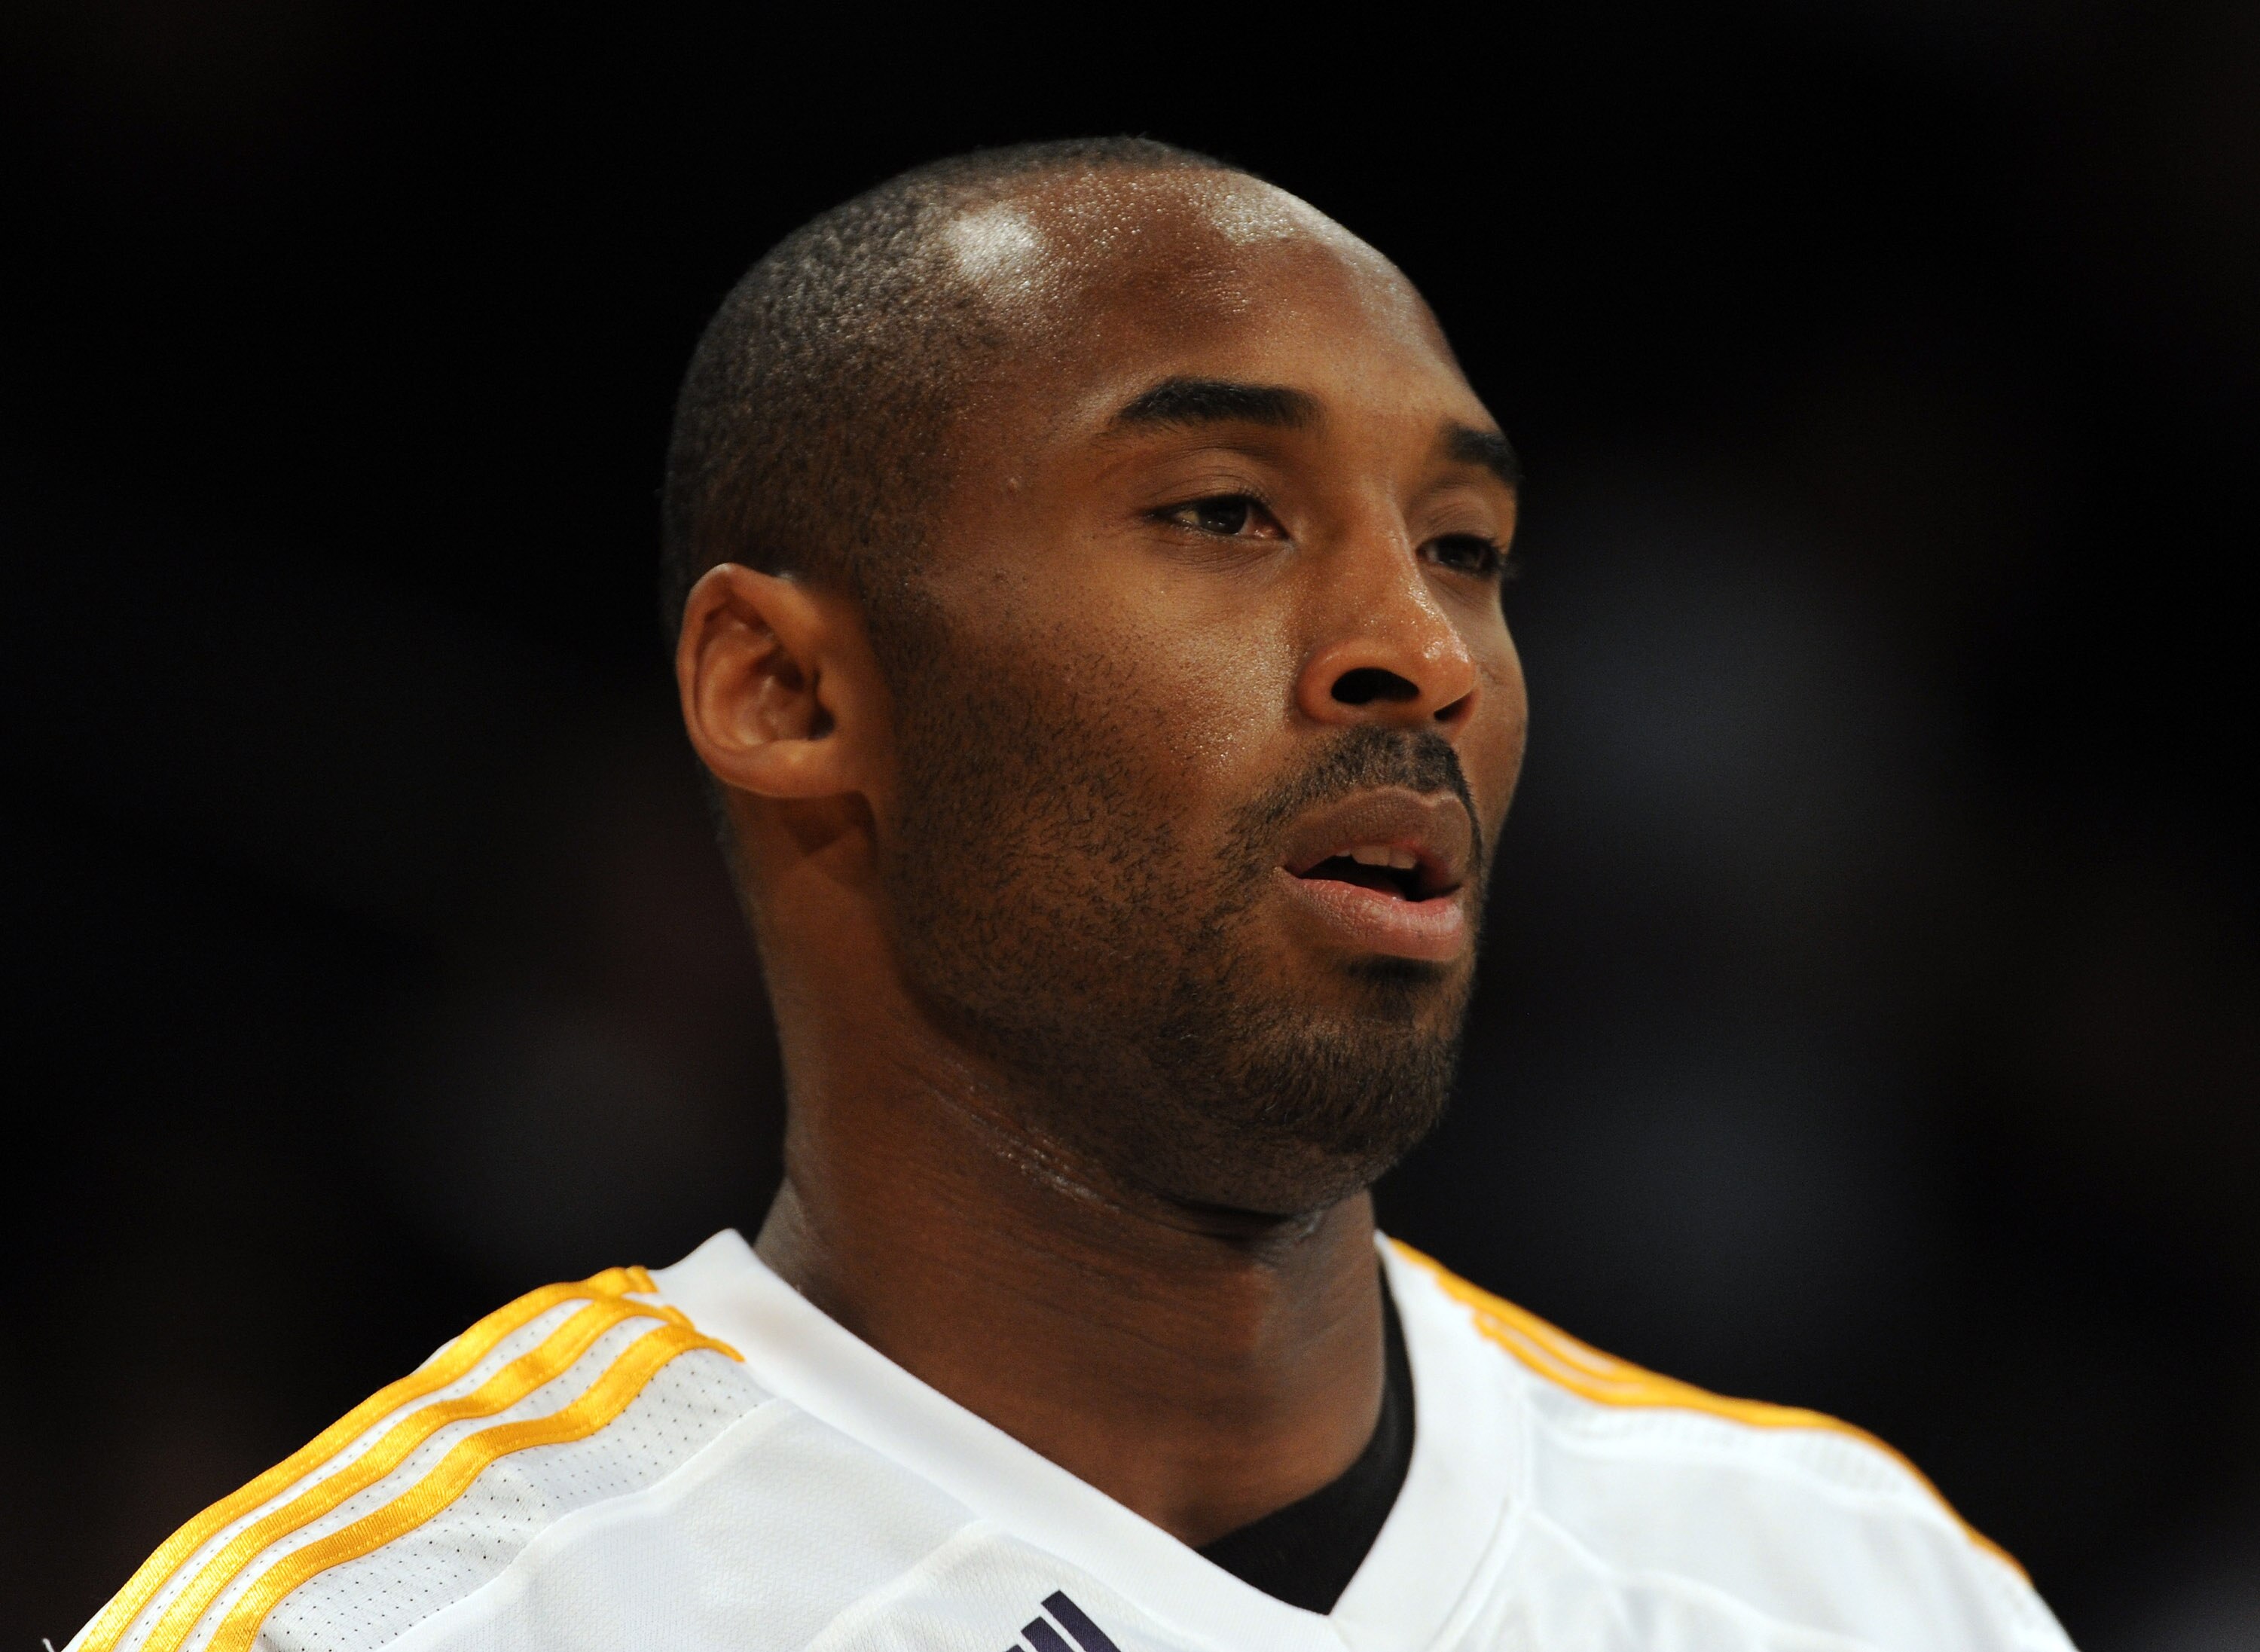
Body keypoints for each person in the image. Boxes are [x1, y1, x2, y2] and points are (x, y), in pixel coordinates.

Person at [69, 137, 2075, 1652]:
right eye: (1228, 512)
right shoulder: (413, 1618)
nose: (1422, 651)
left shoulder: (1857, 1586)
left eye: (1465, 547)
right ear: (788, 694)